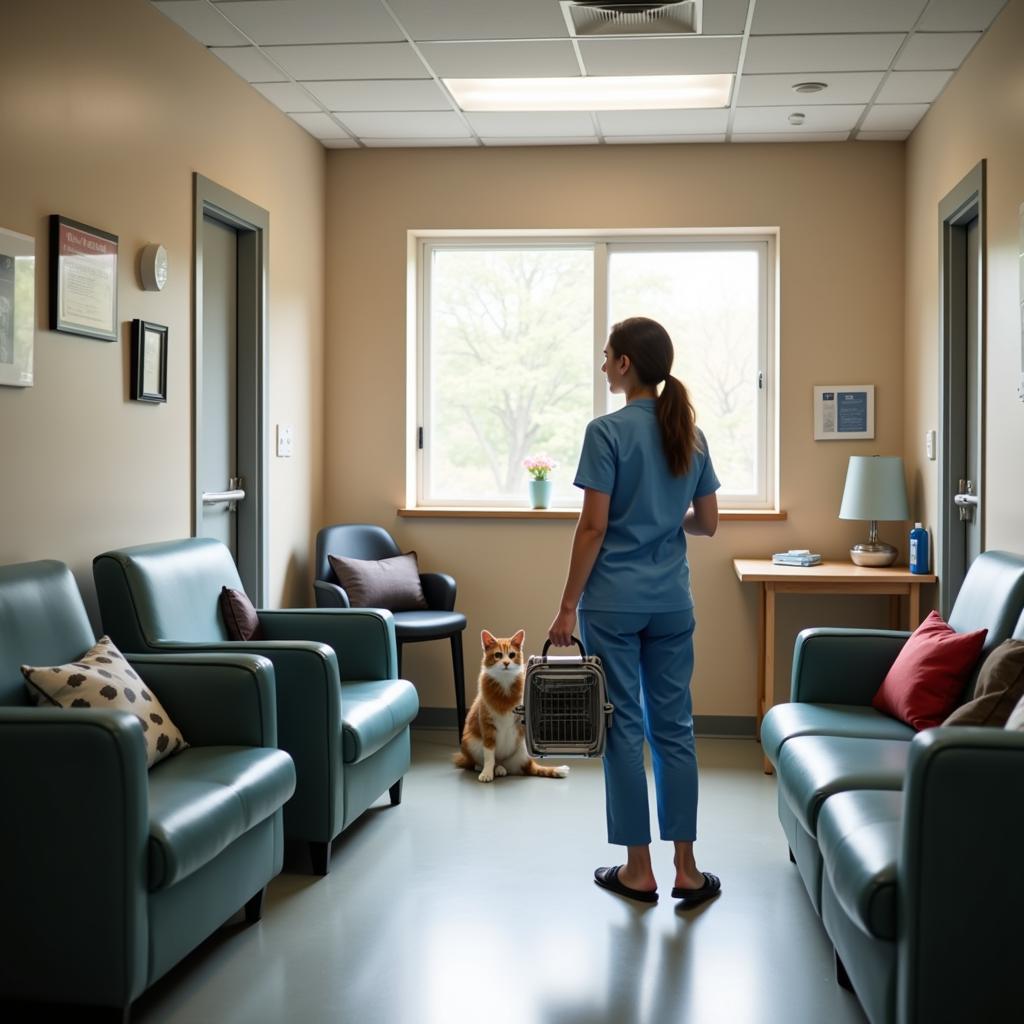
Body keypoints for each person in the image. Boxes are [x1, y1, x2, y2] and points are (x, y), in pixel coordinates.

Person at [547, 315, 720, 905]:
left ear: (626, 365)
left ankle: (638, 871)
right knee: (674, 731)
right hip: (672, 602)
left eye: (606, 356)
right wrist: (665, 521)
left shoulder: (606, 432)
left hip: (614, 605)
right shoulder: (690, 435)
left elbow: (593, 527)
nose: (602, 365)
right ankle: (689, 870)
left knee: (622, 730)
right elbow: (710, 523)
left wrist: (566, 606)